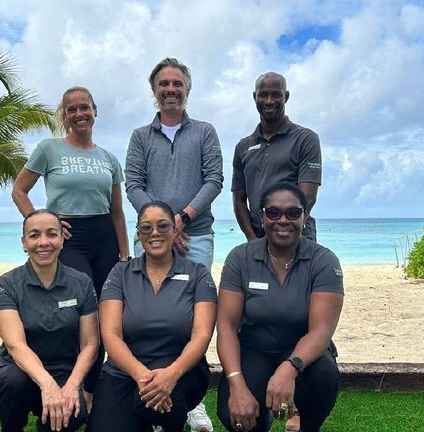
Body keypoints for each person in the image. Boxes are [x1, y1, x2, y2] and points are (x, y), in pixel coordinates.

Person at [125, 57, 222, 431]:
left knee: (193, 316)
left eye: (177, 83)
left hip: (195, 236)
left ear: (187, 89)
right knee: (148, 315)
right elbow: (133, 184)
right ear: (154, 91)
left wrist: (180, 220)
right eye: (163, 84)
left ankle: (191, 398)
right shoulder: (140, 137)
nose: (170, 90)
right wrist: (160, 227)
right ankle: (149, 387)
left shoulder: (205, 131)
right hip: (150, 238)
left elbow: (214, 179)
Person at [12, 86, 129, 396]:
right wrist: (42, 223)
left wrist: (125, 254)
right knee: (83, 309)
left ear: (95, 111)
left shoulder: (108, 158)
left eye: (84, 108)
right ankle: (65, 382)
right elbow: (19, 191)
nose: (79, 114)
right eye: (72, 109)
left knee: (109, 311)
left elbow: (117, 213)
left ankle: (90, 392)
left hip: (104, 237)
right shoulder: (49, 149)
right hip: (70, 239)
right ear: (64, 116)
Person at [216, 182, 344, 432]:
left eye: (293, 213)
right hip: (254, 349)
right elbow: (227, 327)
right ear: (262, 217)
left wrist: (289, 367)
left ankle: (306, 424)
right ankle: (261, 422)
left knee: (323, 375)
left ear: (304, 216)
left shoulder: (323, 261)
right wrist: (236, 384)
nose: (282, 220)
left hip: (305, 354)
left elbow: (321, 331)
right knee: (237, 419)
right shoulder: (239, 258)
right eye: (273, 213)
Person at [88, 201, 217, 432]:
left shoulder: (197, 273)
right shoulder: (120, 273)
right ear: (138, 234)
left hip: (181, 367)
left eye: (163, 226)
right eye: (146, 228)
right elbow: (110, 334)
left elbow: (202, 334)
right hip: (125, 369)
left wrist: (171, 375)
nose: (155, 233)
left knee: (165, 405)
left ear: (175, 230)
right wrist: (142, 376)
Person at [0, 210, 99, 432]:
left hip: (63, 372)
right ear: (24, 242)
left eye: (51, 234)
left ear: (62, 239)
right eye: (34, 235)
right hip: (15, 371)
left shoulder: (81, 283)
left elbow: (90, 345)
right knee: (13, 382)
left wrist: (72, 386)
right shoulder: (6, 284)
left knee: (75, 412)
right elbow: (15, 346)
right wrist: (48, 386)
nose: (43, 242)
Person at [232, 72, 322, 243]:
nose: (269, 101)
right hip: (257, 238)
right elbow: (239, 200)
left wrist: (286, 232)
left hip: (297, 237)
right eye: (263, 95)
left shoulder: (305, 139)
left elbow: (308, 197)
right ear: (255, 97)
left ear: (286, 97)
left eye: (276, 95)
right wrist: (252, 240)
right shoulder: (242, 147)